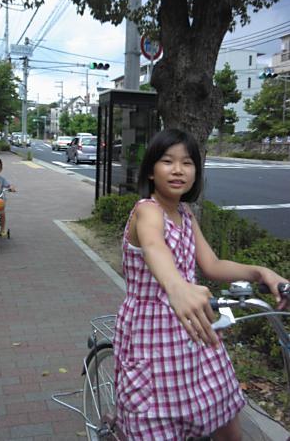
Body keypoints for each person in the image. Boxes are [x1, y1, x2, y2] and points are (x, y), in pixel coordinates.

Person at [114, 128, 288, 441]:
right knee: (157, 420)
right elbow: (154, 246)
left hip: (197, 328)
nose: (178, 169)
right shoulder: (146, 211)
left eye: (187, 162)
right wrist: (177, 287)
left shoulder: (186, 213)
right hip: (152, 332)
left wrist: (261, 272)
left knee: (222, 409)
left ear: (196, 172)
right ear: (151, 171)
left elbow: (212, 265)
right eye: (167, 161)